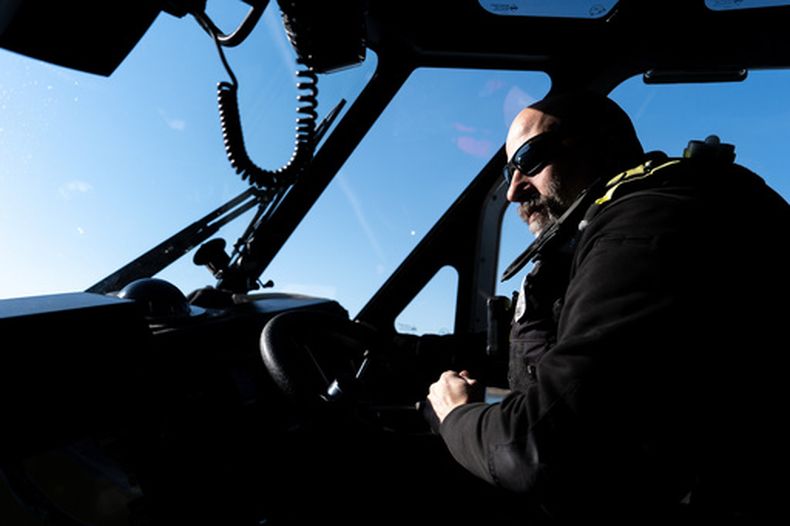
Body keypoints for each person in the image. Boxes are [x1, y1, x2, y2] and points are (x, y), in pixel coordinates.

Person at [426, 91, 790, 524]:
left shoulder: (647, 229)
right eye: (509, 171)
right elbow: (562, 347)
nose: (513, 190)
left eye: (529, 159)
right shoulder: (624, 229)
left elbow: (539, 449)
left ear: (601, 145)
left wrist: (456, 415)